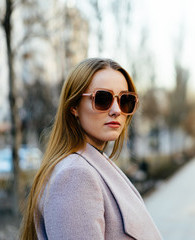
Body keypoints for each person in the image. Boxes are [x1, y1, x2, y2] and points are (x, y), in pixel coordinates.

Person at [20, 58, 163, 240]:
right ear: (74, 107)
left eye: (125, 100)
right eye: (103, 99)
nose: (116, 110)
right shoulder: (74, 176)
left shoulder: (96, 164)